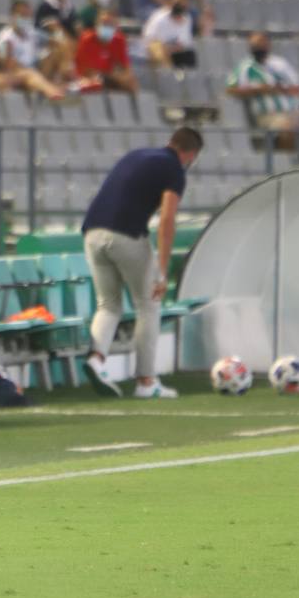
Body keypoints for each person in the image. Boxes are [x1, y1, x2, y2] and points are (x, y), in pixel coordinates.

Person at [80, 127, 204, 400]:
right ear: (191, 154)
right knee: (148, 305)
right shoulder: (175, 170)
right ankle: (146, 381)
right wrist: (162, 270)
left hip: (91, 233)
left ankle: (97, 358)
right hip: (125, 235)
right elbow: (167, 220)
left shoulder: (137, 155)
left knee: (108, 305)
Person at [226, 31, 299, 139]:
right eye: (255, 45)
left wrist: (278, 89)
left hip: (292, 112)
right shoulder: (245, 67)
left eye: (261, 43)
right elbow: (230, 89)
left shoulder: (280, 64)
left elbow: (297, 89)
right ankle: (288, 155)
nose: (259, 47)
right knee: (287, 126)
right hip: (269, 115)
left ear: (268, 45)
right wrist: (258, 89)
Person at [0, 0, 74, 87]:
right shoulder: (5, 37)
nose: (25, 18)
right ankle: (50, 87)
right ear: (13, 16)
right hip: (18, 74)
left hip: (37, 71)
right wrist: (25, 71)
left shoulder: (32, 32)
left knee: (57, 50)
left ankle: (64, 80)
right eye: (22, 14)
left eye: (27, 15)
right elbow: (4, 62)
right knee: (24, 71)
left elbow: (59, 43)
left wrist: (58, 30)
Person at [75, 10, 138, 93]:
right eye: (104, 24)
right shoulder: (86, 40)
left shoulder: (119, 40)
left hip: (107, 79)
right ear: (96, 25)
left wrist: (126, 79)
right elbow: (87, 71)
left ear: (115, 27)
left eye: (110, 25)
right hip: (87, 79)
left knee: (130, 82)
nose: (106, 28)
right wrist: (111, 77)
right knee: (96, 84)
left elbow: (126, 68)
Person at [143, 0, 197, 68]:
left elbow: (186, 42)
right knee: (159, 52)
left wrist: (176, 48)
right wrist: (165, 49)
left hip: (177, 53)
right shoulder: (159, 18)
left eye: (182, 3)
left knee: (190, 55)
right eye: (177, 3)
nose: (179, 5)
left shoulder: (187, 19)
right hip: (159, 51)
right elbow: (149, 39)